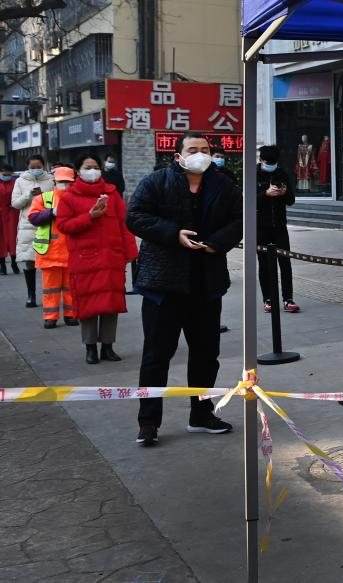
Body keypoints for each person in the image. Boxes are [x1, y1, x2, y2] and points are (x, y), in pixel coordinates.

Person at [127, 131, 242, 446]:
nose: (200, 154)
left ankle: (201, 414)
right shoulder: (157, 181)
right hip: (163, 285)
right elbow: (135, 216)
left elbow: (239, 219)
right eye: (192, 149)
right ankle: (148, 422)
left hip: (205, 284)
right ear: (178, 156)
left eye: (205, 149)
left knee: (206, 354)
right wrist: (172, 233)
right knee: (156, 356)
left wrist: (216, 242)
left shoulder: (223, 185)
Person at [56, 154, 137, 364]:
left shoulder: (112, 194)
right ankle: (90, 348)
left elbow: (124, 224)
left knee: (111, 304)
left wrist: (130, 252)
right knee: (88, 305)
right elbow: (63, 226)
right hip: (84, 259)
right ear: (78, 171)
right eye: (87, 167)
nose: (92, 170)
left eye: (95, 166)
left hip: (111, 258)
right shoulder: (69, 197)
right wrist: (89, 217)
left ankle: (108, 347)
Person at [27, 167, 77, 329]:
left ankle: (71, 315)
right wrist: (52, 212)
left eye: (68, 182)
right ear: (55, 182)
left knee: (71, 288)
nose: (65, 185)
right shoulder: (44, 198)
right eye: (62, 182)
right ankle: (50, 317)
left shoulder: (77, 199)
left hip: (70, 253)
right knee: (50, 289)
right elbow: (33, 218)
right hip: (50, 253)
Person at [255, 145, 300, 313]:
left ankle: (288, 299)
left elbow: (291, 200)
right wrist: (265, 193)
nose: (270, 165)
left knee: (285, 262)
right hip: (260, 227)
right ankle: (268, 299)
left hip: (280, 226)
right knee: (264, 264)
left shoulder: (282, 174)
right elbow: (247, 200)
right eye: (268, 162)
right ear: (261, 160)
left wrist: (284, 193)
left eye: (273, 162)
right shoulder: (253, 174)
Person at [11, 155, 54, 308]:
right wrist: (28, 194)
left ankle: (50, 295)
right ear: (27, 167)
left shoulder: (51, 180)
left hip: (47, 223)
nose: (36, 169)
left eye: (39, 167)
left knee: (49, 261)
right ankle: (31, 295)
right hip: (27, 225)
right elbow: (15, 204)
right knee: (29, 260)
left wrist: (44, 196)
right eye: (32, 167)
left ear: (44, 165)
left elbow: (58, 199)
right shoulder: (20, 181)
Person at [0, 164, 18, 275]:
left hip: (12, 212)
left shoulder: (15, 183)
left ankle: (14, 263)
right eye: (4, 174)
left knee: (13, 238)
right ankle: (2, 266)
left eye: (8, 174)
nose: (6, 176)